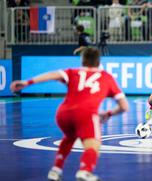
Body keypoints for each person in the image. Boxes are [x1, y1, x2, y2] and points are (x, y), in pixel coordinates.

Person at [10, 47, 129, 181]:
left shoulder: (73, 72)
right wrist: (108, 113)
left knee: (70, 136)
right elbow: (124, 106)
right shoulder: (106, 77)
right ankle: (85, 171)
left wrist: (27, 82)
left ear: (82, 60)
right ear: (98, 61)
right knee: (93, 145)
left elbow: (52, 75)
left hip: (63, 114)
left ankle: (56, 170)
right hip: (86, 113)